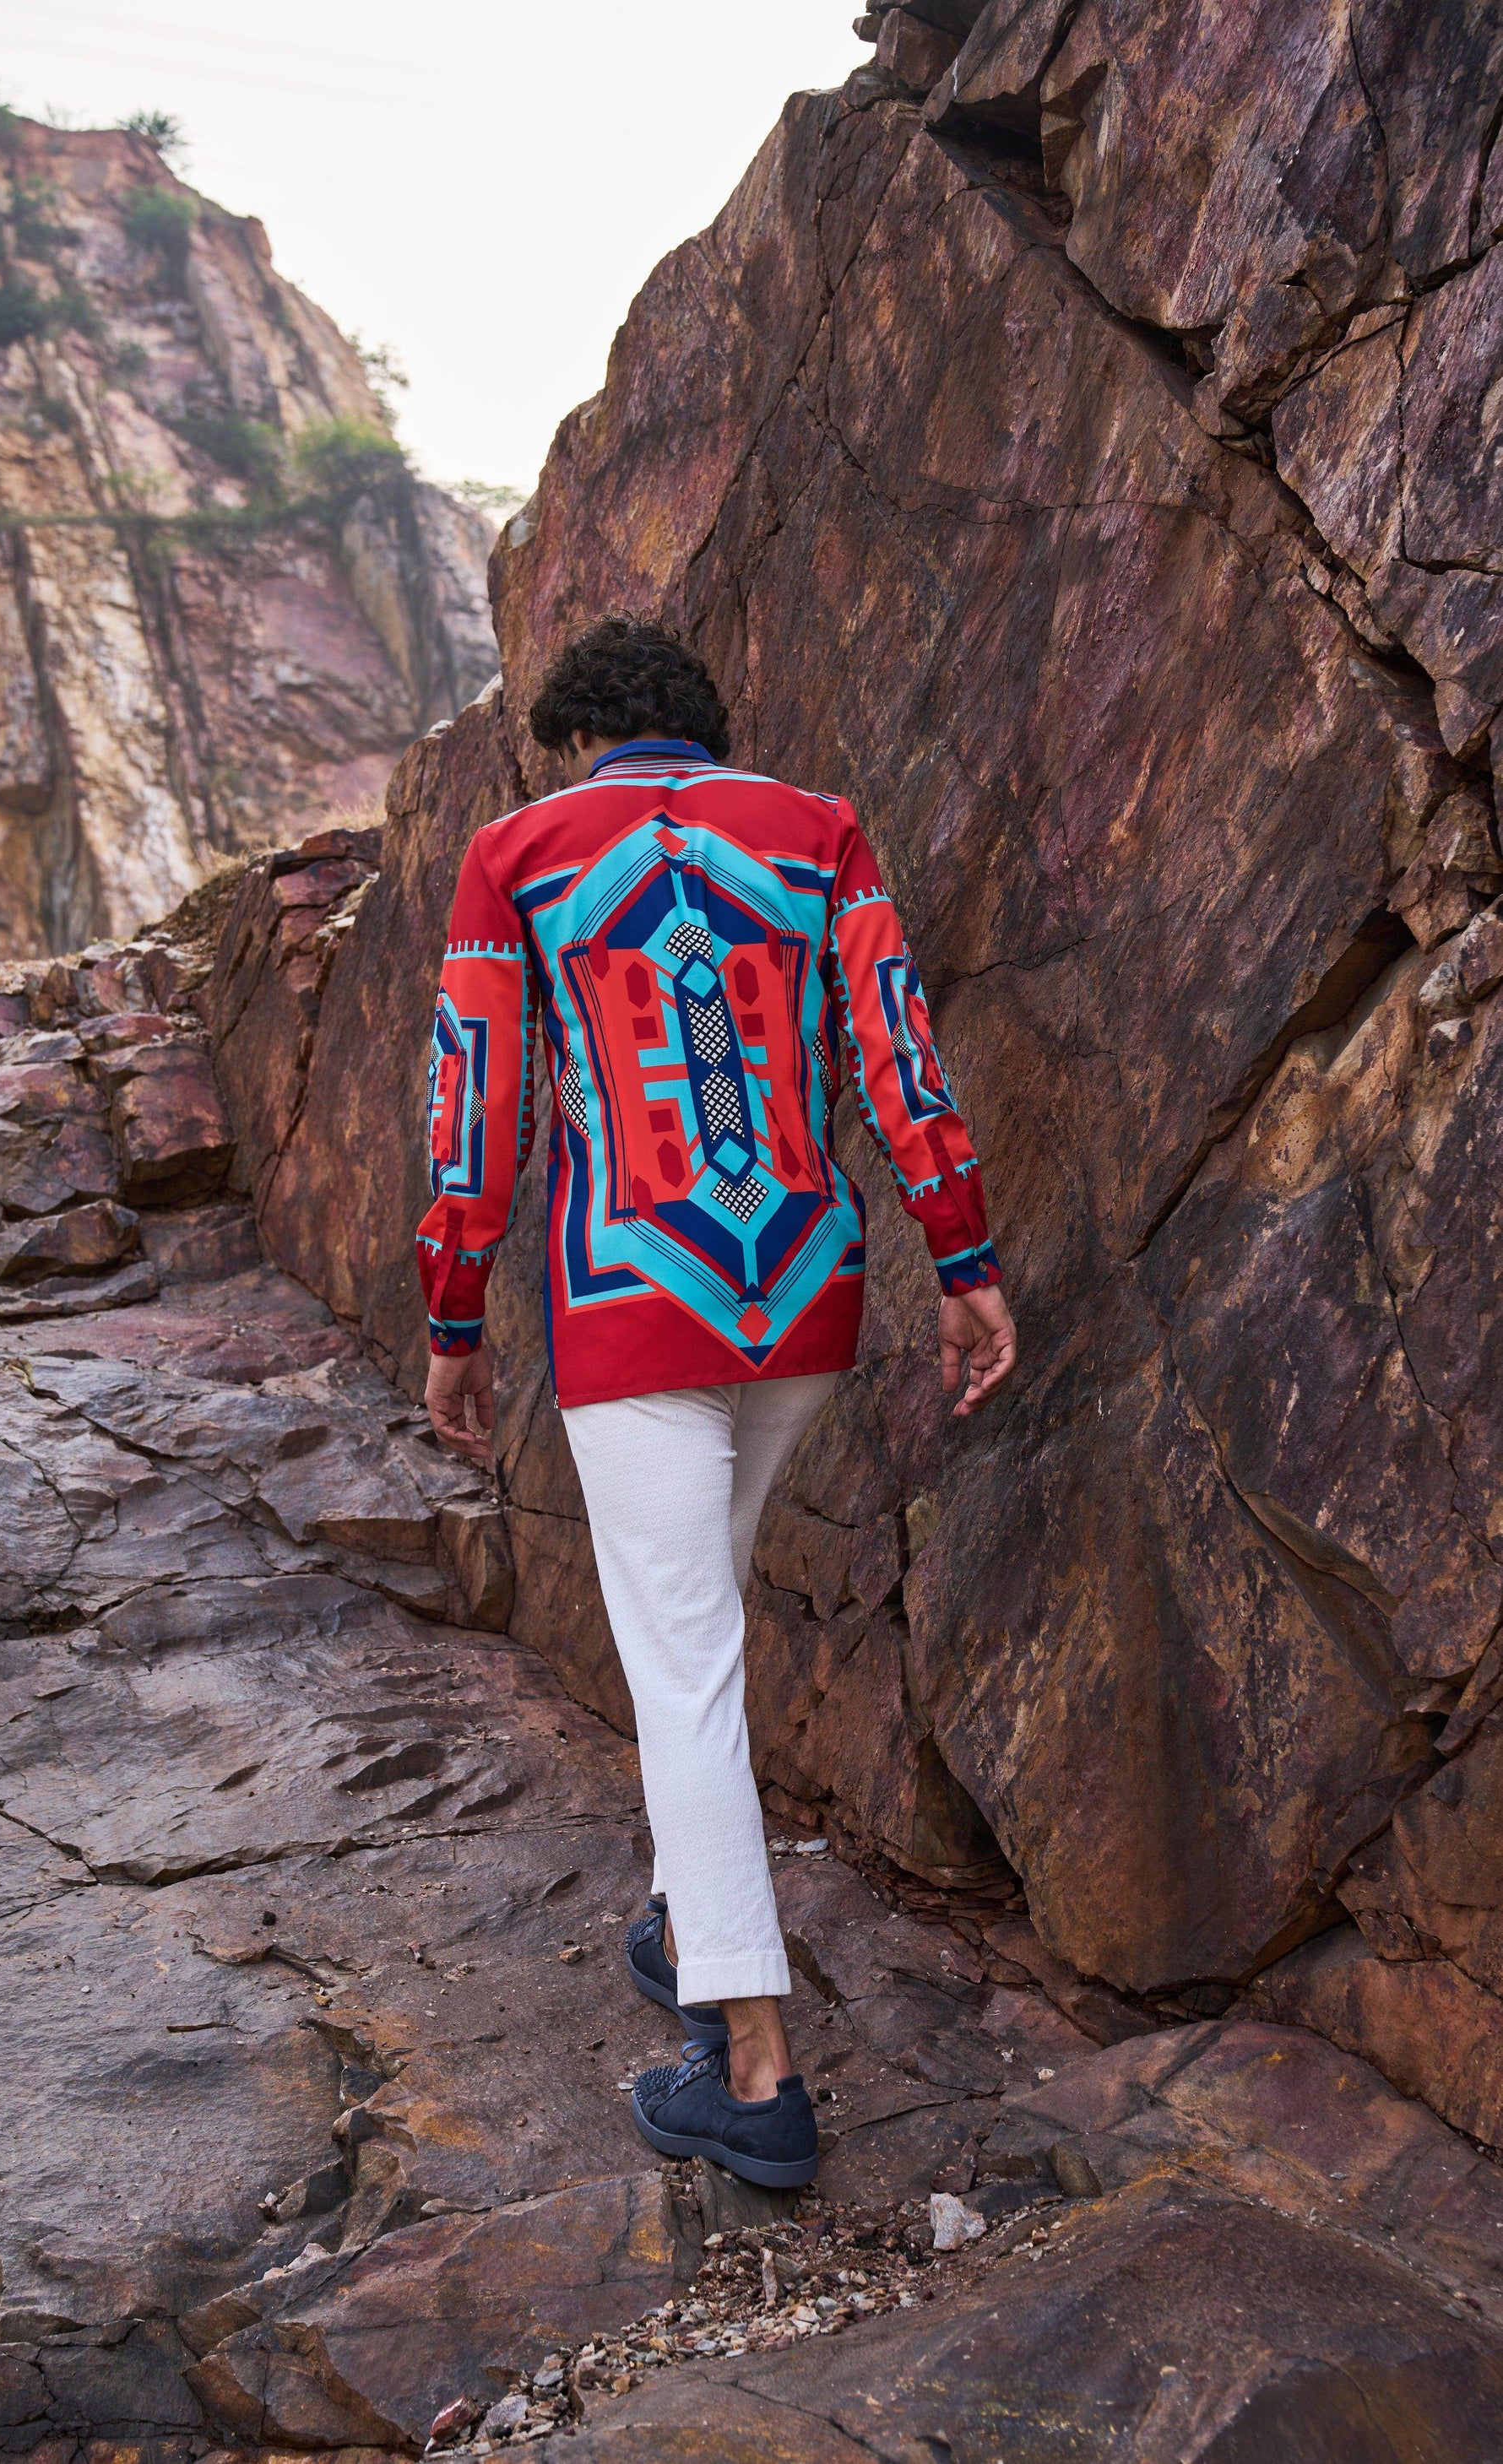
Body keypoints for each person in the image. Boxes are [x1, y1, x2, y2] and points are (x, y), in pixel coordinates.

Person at [419, 617, 1016, 2187]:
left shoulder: (517, 852)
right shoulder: (816, 831)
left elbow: (478, 1097)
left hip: (629, 1301)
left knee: (681, 1664)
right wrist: (960, 1256)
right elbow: (896, 1049)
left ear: (576, 742)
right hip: (805, 1288)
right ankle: (690, 1915)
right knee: (703, 1619)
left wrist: (451, 1310)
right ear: (701, 728)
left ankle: (752, 2074)